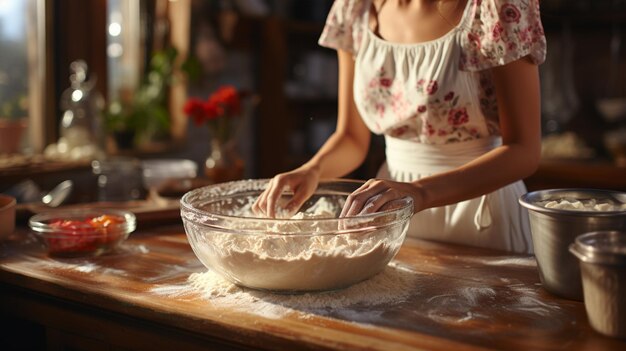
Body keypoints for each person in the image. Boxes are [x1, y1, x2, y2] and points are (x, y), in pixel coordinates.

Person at [253, 0, 546, 254]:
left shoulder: (495, 6)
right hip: (391, 212)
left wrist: (420, 192)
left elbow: (524, 150)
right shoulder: (355, 8)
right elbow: (351, 138)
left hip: (483, 214)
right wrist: (314, 170)